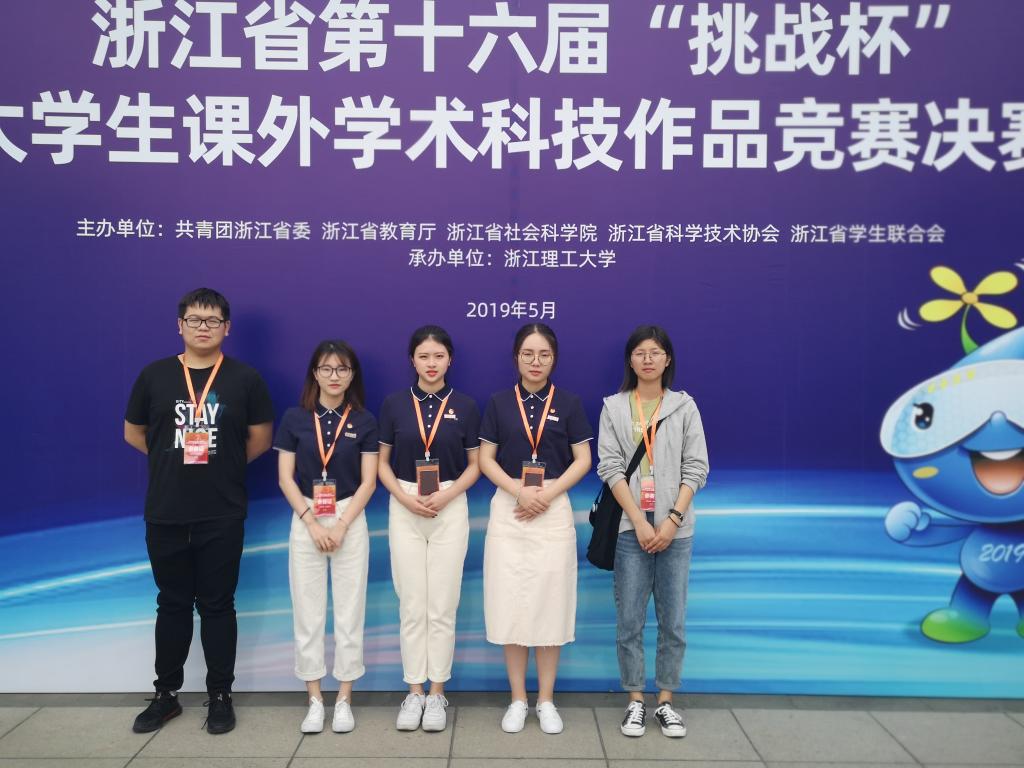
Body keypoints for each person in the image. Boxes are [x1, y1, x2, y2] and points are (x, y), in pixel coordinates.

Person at [124, 287, 274, 735]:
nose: (203, 327)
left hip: (221, 512)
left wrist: (220, 465)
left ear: (227, 327)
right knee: (171, 604)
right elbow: (134, 433)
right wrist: (170, 461)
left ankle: (220, 695)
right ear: (180, 325)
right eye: (194, 319)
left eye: (212, 321)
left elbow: (260, 439)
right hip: (166, 511)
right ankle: (166, 695)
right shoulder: (154, 376)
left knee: (218, 605)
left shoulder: (245, 379)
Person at [479, 323, 592, 735]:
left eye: (544, 354)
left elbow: (583, 459)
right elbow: (486, 459)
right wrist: (518, 492)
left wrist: (546, 494)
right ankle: (517, 699)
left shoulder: (569, 403)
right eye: (528, 354)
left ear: (554, 359)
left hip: (553, 505)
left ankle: (545, 700)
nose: (536, 361)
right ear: (516, 358)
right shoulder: (498, 403)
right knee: (510, 601)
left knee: (550, 601)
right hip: (510, 507)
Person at [596, 325, 709, 739]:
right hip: (631, 530)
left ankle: (665, 701)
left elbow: (697, 467)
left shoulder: (684, 407)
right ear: (630, 360)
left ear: (667, 359)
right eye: (640, 352)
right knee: (629, 620)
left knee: (672, 620)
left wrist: (672, 520)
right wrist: (641, 522)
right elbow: (609, 466)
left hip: (676, 532)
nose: (648, 359)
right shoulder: (614, 408)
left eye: (655, 352)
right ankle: (635, 701)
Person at [378, 326, 481, 732]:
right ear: (412, 360)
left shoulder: (466, 406)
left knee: (442, 603)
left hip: (449, 504)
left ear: (450, 359)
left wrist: (447, 495)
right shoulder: (394, 404)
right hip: (405, 503)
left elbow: (475, 465)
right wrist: (405, 499)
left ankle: (437, 692)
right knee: (411, 603)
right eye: (424, 356)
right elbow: (381, 462)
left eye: (439, 356)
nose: (432, 363)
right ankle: (414, 691)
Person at [274, 340, 378, 734]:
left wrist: (341, 524)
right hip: (306, 518)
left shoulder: (365, 420)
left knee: (350, 612)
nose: (335, 376)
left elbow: (369, 482)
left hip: (350, 516)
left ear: (352, 375)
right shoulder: (294, 418)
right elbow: (285, 477)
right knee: (308, 612)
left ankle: (345, 698)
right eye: (327, 369)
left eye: (343, 369)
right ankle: (315, 699)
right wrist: (313, 524)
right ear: (314, 374)